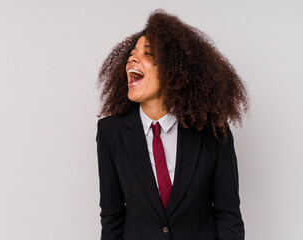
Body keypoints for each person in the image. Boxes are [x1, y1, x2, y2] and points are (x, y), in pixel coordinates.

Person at [96, 9, 249, 240]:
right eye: (132, 53)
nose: (132, 58)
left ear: (174, 70)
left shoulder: (214, 132)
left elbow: (228, 217)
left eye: (147, 53)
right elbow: (112, 218)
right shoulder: (110, 133)